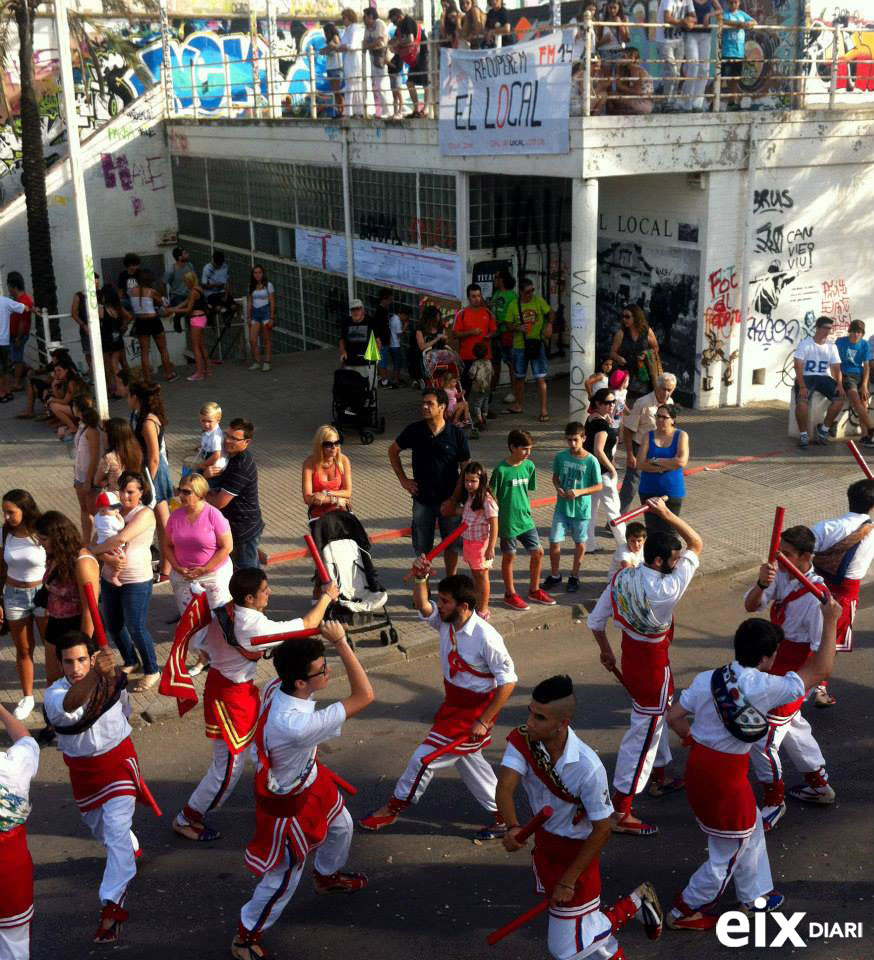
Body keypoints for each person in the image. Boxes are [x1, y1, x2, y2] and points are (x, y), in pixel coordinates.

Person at [665, 605, 839, 929]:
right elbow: (821, 669)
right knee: (726, 853)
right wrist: (831, 621)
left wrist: (690, 739)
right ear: (766, 658)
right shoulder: (764, 686)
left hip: (700, 769)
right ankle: (683, 909)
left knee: (752, 827)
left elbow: (673, 717)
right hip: (725, 781)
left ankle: (755, 896)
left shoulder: (707, 679)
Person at [496, 676, 664, 960]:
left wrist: (567, 881)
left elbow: (602, 830)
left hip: (578, 858)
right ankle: (638, 902)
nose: (531, 722)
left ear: (563, 723)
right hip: (546, 847)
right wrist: (512, 826)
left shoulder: (589, 767)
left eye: (540, 717)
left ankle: (634, 904)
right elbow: (505, 787)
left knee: (565, 948)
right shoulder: (524, 740)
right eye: (530, 712)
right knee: (583, 939)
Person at [233, 620, 373, 960]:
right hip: (288, 799)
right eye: (322, 670)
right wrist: (341, 642)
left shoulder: (275, 688)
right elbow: (365, 695)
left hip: (308, 777)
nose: (328, 673)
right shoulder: (298, 726)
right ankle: (245, 934)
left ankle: (326, 876)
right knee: (284, 875)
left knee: (342, 825)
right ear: (299, 682)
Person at [173, 567, 341, 843]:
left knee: (262, 745)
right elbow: (309, 623)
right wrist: (327, 597)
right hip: (230, 697)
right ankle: (188, 818)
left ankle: (278, 794)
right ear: (249, 598)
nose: (270, 592)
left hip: (234, 690)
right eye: (265, 590)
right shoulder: (253, 626)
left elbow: (201, 639)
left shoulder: (227, 608)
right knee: (227, 768)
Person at [360, 567, 516, 836]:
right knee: (470, 764)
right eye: (440, 600)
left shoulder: (487, 637)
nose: (439, 606)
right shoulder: (447, 622)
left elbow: (508, 682)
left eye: (445, 601)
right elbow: (422, 605)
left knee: (424, 759)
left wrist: (483, 720)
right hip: (452, 708)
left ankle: (392, 809)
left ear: (464, 606)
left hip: (473, 714)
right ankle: (504, 817)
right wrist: (421, 578)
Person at [587, 499, 702, 834]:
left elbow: (596, 622)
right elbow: (697, 542)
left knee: (653, 720)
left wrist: (606, 652)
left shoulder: (621, 579)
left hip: (630, 660)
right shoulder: (668, 588)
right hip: (654, 670)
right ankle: (622, 810)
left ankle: (661, 774)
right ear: (657, 560)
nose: (678, 562)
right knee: (643, 736)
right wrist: (667, 516)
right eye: (674, 559)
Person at [43, 632, 154, 943]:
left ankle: (112, 906)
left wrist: (109, 677)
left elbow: (126, 712)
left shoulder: (113, 681)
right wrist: (98, 675)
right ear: (60, 664)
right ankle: (131, 849)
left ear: (91, 658)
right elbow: (71, 703)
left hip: (118, 764)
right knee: (103, 831)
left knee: (116, 830)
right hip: (84, 776)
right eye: (68, 661)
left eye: (82, 659)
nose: (75, 667)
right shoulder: (54, 696)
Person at [743, 526, 835, 831]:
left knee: (763, 739)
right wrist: (760, 583)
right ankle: (819, 784)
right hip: (772, 663)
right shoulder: (779, 574)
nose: (781, 558)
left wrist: (798, 689)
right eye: (780, 551)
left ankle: (774, 801)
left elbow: (819, 653)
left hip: (793, 675)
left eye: (788, 554)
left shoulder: (818, 598)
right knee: (794, 728)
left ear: (807, 557)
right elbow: (751, 605)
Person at [90, 472, 160, 693]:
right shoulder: (111, 511)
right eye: (122, 491)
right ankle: (130, 660)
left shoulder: (145, 514)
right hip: (110, 577)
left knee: (136, 626)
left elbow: (121, 538)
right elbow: (96, 540)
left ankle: (152, 669)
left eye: (131, 491)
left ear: (141, 492)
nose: (126, 495)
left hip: (137, 579)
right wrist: (105, 557)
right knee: (113, 623)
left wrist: (91, 552)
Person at [389, 389, 470, 575]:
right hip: (422, 501)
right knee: (422, 548)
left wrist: (455, 499)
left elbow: (465, 468)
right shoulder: (414, 430)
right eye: (423, 403)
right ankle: (422, 588)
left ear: (442, 407)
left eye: (430, 404)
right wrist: (404, 481)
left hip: (449, 501)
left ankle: (451, 582)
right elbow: (392, 451)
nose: (425, 407)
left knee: (452, 546)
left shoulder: (456, 434)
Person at [34, 511, 101, 733]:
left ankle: (84, 722)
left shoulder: (82, 562)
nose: (41, 544)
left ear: (58, 536)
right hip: (55, 624)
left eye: (44, 539)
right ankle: (55, 723)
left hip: (76, 628)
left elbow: (89, 609)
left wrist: (85, 644)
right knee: (54, 681)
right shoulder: (56, 557)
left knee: (78, 679)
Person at [809, 477, 874, 705]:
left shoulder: (826, 527)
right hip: (845, 596)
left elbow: (800, 547)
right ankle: (818, 686)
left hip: (814, 588)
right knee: (828, 642)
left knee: (804, 637)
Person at [164, 472, 234, 664]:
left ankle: (223, 654)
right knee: (191, 619)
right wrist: (177, 567)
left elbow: (227, 547)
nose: (181, 495)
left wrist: (204, 569)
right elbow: (167, 545)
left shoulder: (214, 515)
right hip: (184, 576)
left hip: (213, 575)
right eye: (180, 491)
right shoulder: (175, 516)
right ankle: (202, 658)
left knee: (216, 617)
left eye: (186, 492)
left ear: (199, 493)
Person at [492, 428, 555, 610]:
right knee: (509, 556)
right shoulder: (501, 471)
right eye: (524, 449)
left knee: (538, 552)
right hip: (508, 522)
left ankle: (534, 590)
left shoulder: (529, 467)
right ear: (512, 447)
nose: (528, 453)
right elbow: (492, 497)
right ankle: (509, 594)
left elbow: (526, 492)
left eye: (530, 449)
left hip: (525, 520)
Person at [1, 490, 47, 722]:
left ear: (25, 509)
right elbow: (0, 566)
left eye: (11, 512)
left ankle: (54, 694)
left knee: (51, 647)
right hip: (14, 596)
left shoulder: (42, 531)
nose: (6, 517)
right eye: (4, 512)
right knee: (24, 650)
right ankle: (28, 696)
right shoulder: (4, 533)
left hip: (42, 593)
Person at [543, 421, 603, 594]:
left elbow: (598, 486)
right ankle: (555, 575)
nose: (573, 444)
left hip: (581, 510)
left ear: (584, 438)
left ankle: (574, 576)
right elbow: (555, 477)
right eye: (569, 440)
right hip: (562, 508)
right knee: (554, 541)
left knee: (580, 543)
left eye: (576, 440)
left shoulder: (591, 461)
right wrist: (558, 487)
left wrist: (580, 492)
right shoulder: (561, 457)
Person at [0, 700, 39, 960]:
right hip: (10, 871)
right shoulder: (13, 765)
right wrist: (2, 711)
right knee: (14, 947)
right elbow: (27, 740)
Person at [206, 418, 264, 570]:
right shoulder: (230, 457)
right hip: (234, 526)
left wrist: (201, 494)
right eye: (227, 435)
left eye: (234, 438)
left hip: (244, 530)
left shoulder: (242, 465)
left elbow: (220, 502)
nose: (228, 441)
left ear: (247, 442)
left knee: (248, 574)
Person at [128, 381, 173, 576]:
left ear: (136, 397)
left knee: (163, 523)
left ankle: (167, 567)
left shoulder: (147, 422)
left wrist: (147, 483)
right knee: (160, 521)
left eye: (129, 396)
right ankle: (165, 564)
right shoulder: (138, 416)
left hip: (153, 473)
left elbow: (154, 457)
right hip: (146, 471)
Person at [618, 372, 677, 513]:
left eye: (670, 390)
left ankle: (658, 514)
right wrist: (630, 455)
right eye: (664, 389)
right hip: (639, 448)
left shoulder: (670, 403)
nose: (666, 393)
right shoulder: (642, 403)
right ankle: (617, 519)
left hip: (659, 450)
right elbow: (628, 429)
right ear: (657, 387)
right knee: (631, 486)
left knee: (658, 485)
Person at [504, 279, 554, 421]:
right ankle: (518, 405)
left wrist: (549, 324)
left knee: (540, 378)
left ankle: (544, 410)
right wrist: (517, 328)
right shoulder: (514, 305)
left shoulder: (538, 301)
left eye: (532, 290)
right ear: (520, 292)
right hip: (520, 346)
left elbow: (551, 312)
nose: (531, 293)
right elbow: (507, 324)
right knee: (519, 377)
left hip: (537, 343)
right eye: (528, 291)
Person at [585, 388, 627, 553]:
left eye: (613, 402)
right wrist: (612, 469)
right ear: (598, 403)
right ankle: (625, 546)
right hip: (603, 473)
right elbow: (598, 450)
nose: (611, 406)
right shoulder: (601, 424)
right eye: (608, 403)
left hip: (591, 472)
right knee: (614, 510)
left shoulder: (592, 419)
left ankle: (588, 544)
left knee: (591, 510)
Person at [638, 404, 689, 534]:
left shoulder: (681, 436)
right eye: (658, 416)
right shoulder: (647, 436)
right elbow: (640, 463)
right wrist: (668, 466)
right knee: (652, 530)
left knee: (670, 531)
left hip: (672, 491)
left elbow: (681, 462)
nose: (660, 420)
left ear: (673, 419)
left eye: (664, 417)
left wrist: (656, 461)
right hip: (648, 490)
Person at [793, 315, 842, 449]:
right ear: (817, 328)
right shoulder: (805, 343)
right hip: (807, 377)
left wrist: (839, 384)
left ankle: (824, 430)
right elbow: (797, 365)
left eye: (829, 328)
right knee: (802, 401)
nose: (827, 331)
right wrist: (802, 386)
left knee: (839, 399)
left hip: (823, 377)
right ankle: (803, 434)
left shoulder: (832, 346)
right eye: (825, 328)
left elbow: (836, 368)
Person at [458, 462, 499, 618]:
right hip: (469, 542)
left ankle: (483, 609)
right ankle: (478, 603)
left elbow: (494, 525)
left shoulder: (487, 500)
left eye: (473, 481)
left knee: (482, 577)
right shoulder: (471, 496)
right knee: (476, 576)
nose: (469, 484)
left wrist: (491, 547)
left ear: (481, 481)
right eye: (467, 480)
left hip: (480, 545)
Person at [128, 268, 177, 383]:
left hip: (140, 321)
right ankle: (169, 374)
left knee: (144, 352)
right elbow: (165, 303)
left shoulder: (131, 291)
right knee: (163, 349)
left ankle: (147, 378)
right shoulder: (151, 291)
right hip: (153, 320)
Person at [163, 271, 210, 382]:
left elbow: (188, 308)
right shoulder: (198, 289)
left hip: (196, 318)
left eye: (186, 281)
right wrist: (173, 310)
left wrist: (172, 310)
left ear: (189, 281)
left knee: (195, 347)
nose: (185, 283)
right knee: (201, 345)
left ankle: (199, 373)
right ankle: (207, 369)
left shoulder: (193, 291)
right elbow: (185, 302)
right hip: (202, 317)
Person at [609, 305, 661, 405]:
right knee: (622, 401)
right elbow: (612, 352)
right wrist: (619, 358)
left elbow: (655, 348)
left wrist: (646, 353)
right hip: (625, 372)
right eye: (623, 316)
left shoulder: (646, 332)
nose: (624, 319)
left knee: (643, 401)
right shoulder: (621, 334)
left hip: (642, 371)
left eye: (627, 317)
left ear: (636, 317)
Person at [453, 283, 496, 395]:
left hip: (485, 356)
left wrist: (490, 335)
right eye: (473, 296)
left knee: (486, 389)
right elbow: (455, 334)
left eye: (478, 296)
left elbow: (494, 330)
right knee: (465, 388)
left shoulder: (487, 312)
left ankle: (483, 410)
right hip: (467, 356)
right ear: (468, 297)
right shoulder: (462, 314)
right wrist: (470, 333)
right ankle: (463, 409)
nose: (476, 299)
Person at [836, 319, 874, 445]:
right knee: (855, 399)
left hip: (861, 375)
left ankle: (865, 436)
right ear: (850, 331)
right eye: (854, 331)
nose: (856, 334)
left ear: (862, 333)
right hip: (847, 375)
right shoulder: (840, 342)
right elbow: (835, 363)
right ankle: (872, 429)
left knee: (863, 403)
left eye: (859, 332)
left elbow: (867, 366)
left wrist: (864, 384)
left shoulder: (864, 344)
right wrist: (839, 382)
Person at [302, 424, 352, 518]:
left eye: (336, 443)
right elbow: (307, 498)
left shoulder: (344, 461)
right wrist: (335, 500)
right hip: (319, 517)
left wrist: (325, 493)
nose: (334, 447)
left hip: (340, 514)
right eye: (328, 444)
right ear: (320, 445)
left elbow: (348, 492)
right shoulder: (310, 464)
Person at [388, 9, 430, 118]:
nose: (394, 24)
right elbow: (395, 40)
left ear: (399, 16)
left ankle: (425, 109)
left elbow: (410, 39)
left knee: (426, 83)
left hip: (422, 54)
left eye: (394, 21)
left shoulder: (408, 21)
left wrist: (397, 43)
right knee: (410, 82)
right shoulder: (399, 27)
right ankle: (416, 108)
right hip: (413, 58)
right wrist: (393, 44)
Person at [656, 0, 695, 111]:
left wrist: (690, 21)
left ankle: (671, 103)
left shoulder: (688, 1)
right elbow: (667, 18)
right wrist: (684, 22)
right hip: (664, 41)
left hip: (679, 40)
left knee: (676, 73)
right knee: (672, 72)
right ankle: (666, 103)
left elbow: (694, 17)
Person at [682, 0, 721, 111]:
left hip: (705, 35)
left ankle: (697, 103)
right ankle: (687, 103)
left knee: (704, 69)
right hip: (691, 34)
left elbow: (720, 10)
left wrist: (709, 15)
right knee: (693, 66)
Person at [719, 0, 756, 109]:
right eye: (730, 2)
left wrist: (749, 24)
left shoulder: (742, 14)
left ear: (738, 3)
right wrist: (740, 24)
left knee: (735, 79)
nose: (733, 4)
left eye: (735, 2)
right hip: (726, 51)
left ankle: (731, 103)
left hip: (738, 52)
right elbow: (722, 21)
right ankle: (715, 101)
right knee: (721, 78)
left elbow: (754, 22)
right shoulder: (725, 13)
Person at [490, 267, 517, 406]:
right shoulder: (497, 294)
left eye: (496, 278)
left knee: (511, 363)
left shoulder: (511, 296)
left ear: (502, 279)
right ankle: (492, 389)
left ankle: (514, 391)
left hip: (506, 333)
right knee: (495, 362)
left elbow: (512, 316)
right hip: (495, 334)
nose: (494, 280)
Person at [95, 418, 143, 495]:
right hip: (134, 496)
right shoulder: (136, 452)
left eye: (105, 431)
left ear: (112, 435)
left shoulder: (109, 458)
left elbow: (97, 481)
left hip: (116, 499)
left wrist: (109, 481)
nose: (103, 435)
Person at [98, 286, 130, 399]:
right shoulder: (118, 308)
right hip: (117, 340)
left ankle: (113, 389)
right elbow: (129, 317)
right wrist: (123, 327)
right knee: (115, 365)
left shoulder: (102, 310)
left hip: (106, 340)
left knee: (109, 367)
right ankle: (122, 388)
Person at [6, 272, 33, 394]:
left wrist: (18, 337)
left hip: (18, 335)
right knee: (15, 358)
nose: (9, 290)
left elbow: (23, 322)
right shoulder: (18, 300)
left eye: (9, 287)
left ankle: (17, 383)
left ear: (14, 287)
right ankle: (25, 374)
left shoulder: (24, 300)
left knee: (17, 359)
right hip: (13, 334)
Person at [92, 491, 125, 588]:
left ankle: (101, 574)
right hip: (112, 545)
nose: (117, 511)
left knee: (104, 561)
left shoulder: (97, 517)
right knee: (122, 558)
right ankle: (114, 576)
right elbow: (121, 526)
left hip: (100, 543)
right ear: (102, 510)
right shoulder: (110, 520)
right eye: (113, 509)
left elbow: (96, 526)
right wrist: (120, 517)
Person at [247, 264, 275, 374]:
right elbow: (249, 301)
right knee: (252, 339)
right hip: (255, 313)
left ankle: (267, 362)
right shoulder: (250, 286)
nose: (257, 275)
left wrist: (272, 317)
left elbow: (272, 301)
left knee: (266, 339)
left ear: (263, 274)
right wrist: (248, 316)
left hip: (265, 312)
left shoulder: (268, 285)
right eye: (255, 273)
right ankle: (257, 361)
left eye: (259, 272)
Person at [362, 7, 391, 117]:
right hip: (372, 57)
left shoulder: (379, 24)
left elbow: (379, 41)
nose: (364, 19)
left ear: (370, 16)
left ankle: (388, 111)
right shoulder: (367, 27)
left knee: (383, 85)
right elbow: (364, 43)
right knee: (377, 86)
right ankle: (382, 111)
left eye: (365, 17)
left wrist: (369, 45)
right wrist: (370, 45)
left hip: (381, 56)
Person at [610, 47, 655, 114]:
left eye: (623, 56)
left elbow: (637, 91)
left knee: (611, 96)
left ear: (632, 58)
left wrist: (621, 86)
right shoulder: (629, 69)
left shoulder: (635, 69)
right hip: (642, 102)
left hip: (644, 103)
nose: (620, 59)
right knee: (613, 95)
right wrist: (618, 68)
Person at [0, 292, 27, 404]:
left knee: (1, 369)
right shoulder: (5, 301)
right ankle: (6, 392)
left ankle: (2, 393)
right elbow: (24, 308)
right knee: (5, 369)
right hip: (4, 341)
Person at [339, 8, 365, 117]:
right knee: (351, 85)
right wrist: (342, 47)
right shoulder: (347, 29)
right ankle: (354, 111)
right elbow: (344, 45)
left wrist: (343, 46)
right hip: (348, 59)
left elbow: (353, 46)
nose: (343, 20)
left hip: (354, 61)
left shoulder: (355, 29)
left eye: (344, 18)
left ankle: (351, 112)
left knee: (352, 85)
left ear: (349, 18)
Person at [191, 400, 227, 476]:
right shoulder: (208, 431)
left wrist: (203, 465)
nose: (206, 424)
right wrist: (200, 446)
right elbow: (207, 442)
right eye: (203, 421)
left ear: (218, 420)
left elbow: (217, 455)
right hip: (209, 459)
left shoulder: (216, 436)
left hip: (214, 467)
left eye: (209, 421)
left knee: (197, 479)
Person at [201, 250, 237, 323]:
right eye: (218, 264)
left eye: (221, 264)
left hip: (222, 292)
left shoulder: (224, 266)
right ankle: (211, 317)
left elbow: (227, 282)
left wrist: (226, 295)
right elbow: (204, 285)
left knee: (234, 307)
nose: (219, 265)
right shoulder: (207, 269)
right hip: (211, 294)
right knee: (219, 308)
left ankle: (227, 318)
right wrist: (217, 285)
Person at [339, 298, 377, 366]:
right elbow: (342, 340)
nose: (355, 312)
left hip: (367, 363)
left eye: (358, 309)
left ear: (363, 310)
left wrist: (375, 359)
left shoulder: (371, 321)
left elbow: (378, 341)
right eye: (353, 310)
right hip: (350, 362)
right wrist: (343, 352)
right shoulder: (346, 322)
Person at [596, 0, 630, 76]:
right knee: (607, 79)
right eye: (610, 7)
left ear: (619, 7)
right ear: (607, 7)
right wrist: (604, 41)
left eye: (614, 7)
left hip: (619, 51)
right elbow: (597, 43)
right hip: (605, 52)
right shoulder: (602, 18)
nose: (612, 10)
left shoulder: (624, 18)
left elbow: (627, 40)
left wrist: (620, 25)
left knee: (620, 79)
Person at [468, 340, 493, 433]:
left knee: (477, 405)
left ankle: (480, 420)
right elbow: (492, 373)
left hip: (478, 387)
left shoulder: (475, 364)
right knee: (485, 402)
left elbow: (471, 374)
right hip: (487, 386)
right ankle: (485, 416)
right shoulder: (489, 362)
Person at [372, 287, 394, 386]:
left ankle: (382, 378)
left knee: (383, 360)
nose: (391, 301)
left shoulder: (384, 310)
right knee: (382, 361)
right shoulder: (380, 312)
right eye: (390, 299)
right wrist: (378, 340)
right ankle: (384, 381)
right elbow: (376, 327)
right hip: (382, 341)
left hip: (384, 340)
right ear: (384, 299)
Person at [323, 22, 345, 116]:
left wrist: (327, 48)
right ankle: (339, 110)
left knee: (337, 91)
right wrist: (327, 48)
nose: (325, 34)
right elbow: (329, 49)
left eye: (326, 32)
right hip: (331, 68)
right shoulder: (328, 41)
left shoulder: (335, 37)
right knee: (335, 92)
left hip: (336, 67)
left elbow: (337, 47)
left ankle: (342, 110)